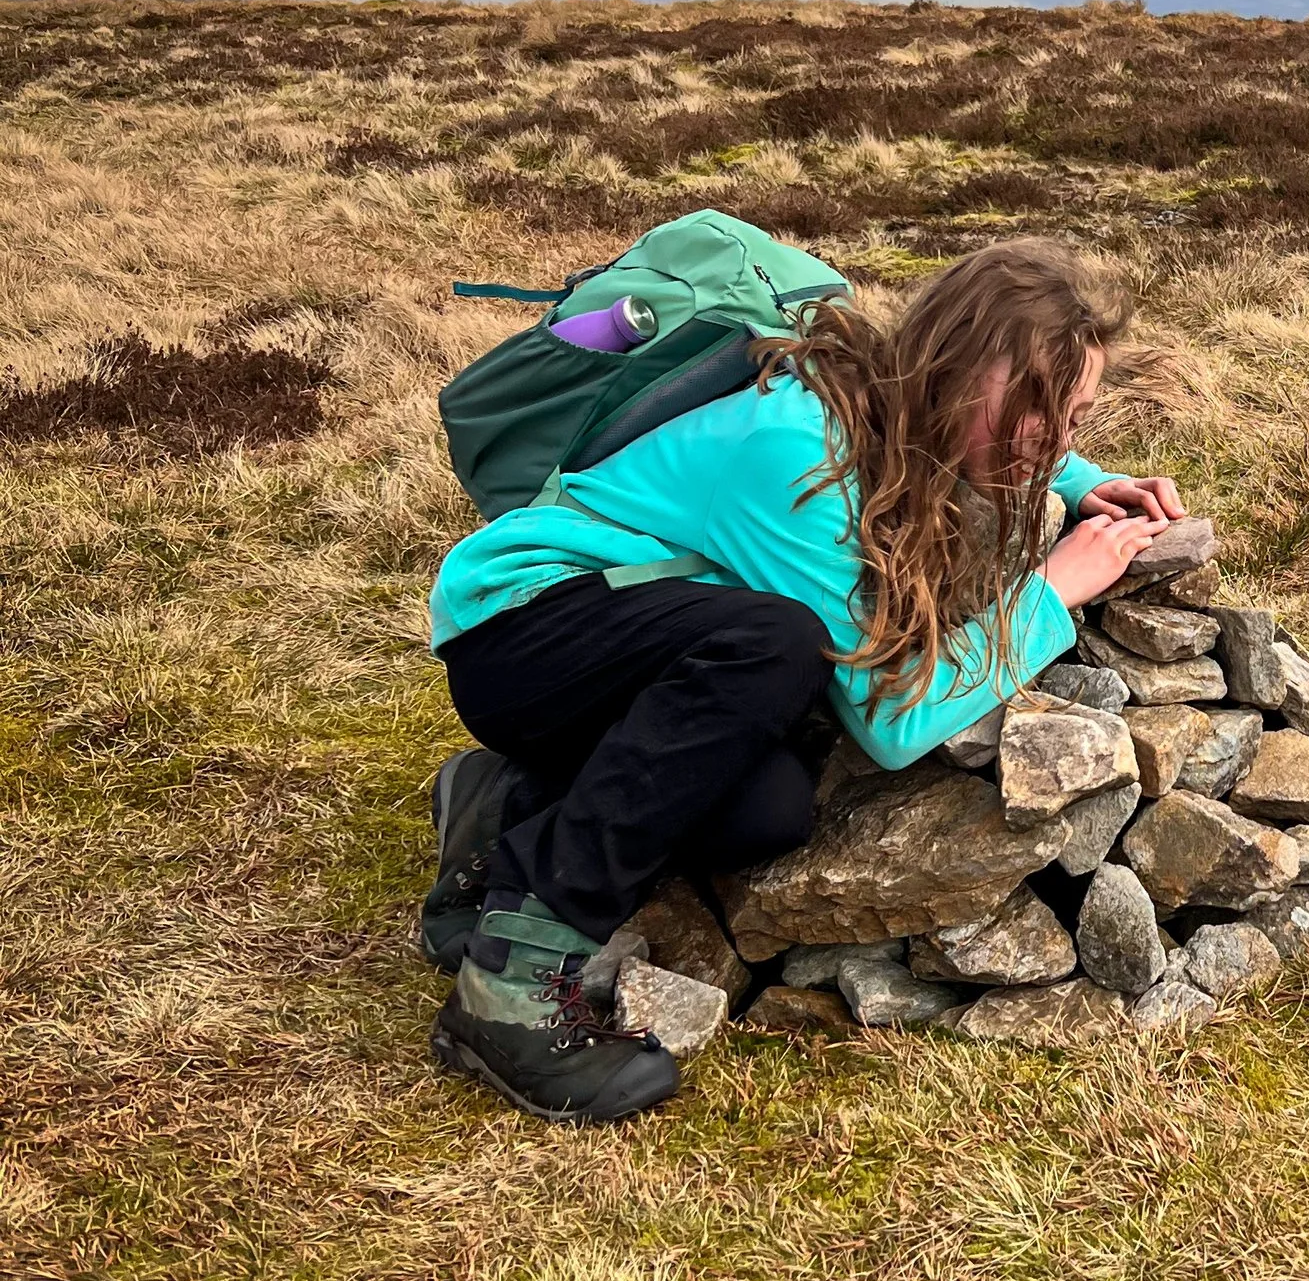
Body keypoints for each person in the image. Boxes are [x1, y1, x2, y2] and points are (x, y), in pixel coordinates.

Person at [424, 237, 1182, 1125]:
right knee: (781, 645)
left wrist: (1087, 484)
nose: (1055, 438)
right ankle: (512, 981)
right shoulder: (796, 453)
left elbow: (999, 440)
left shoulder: (903, 399)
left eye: (1076, 416)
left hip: (639, 640)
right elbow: (894, 718)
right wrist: (1052, 590)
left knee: (768, 808)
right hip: (521, 626)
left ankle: (513, 806)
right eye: (1036, 407)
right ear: (953, 369)